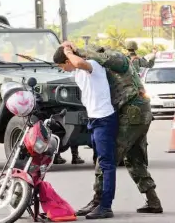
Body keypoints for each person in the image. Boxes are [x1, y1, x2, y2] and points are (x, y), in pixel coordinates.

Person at [63, 42, 163, 216]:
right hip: (133, 113)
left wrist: (75, 51)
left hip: (134, 112)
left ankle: (99, 201)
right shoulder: (102, 65)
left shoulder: (117, 58)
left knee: (107, 156)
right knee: (133, 158)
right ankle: (153, 200)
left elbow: (100, 58)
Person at [54, 46, 118, 219]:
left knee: (107, 164)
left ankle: (106, 206)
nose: (62, 69)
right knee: (99, 163)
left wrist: (68, 52)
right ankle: (98, 203)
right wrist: (67, 47)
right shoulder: (77, 72)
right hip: (94, 120)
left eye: (62, 65)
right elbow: (75, 62)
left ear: (69, 60)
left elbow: (79, 62)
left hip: (104, 119)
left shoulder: (93, 65)